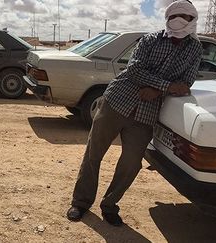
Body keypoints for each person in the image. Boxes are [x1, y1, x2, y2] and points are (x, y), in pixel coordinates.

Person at [66, 0, 203, 226]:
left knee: (131, 163)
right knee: (94, 153)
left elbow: (186, 82)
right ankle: (80, 202)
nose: (180, 20)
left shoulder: (195, 49)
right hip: (117, 101)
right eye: (175, 15)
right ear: (168, 17)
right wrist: (165, 86)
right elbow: (134, 69)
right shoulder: (150, 40)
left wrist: (156, 87)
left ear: (193, 19)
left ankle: (109, 205)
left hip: (147, 113)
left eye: (186, 16)